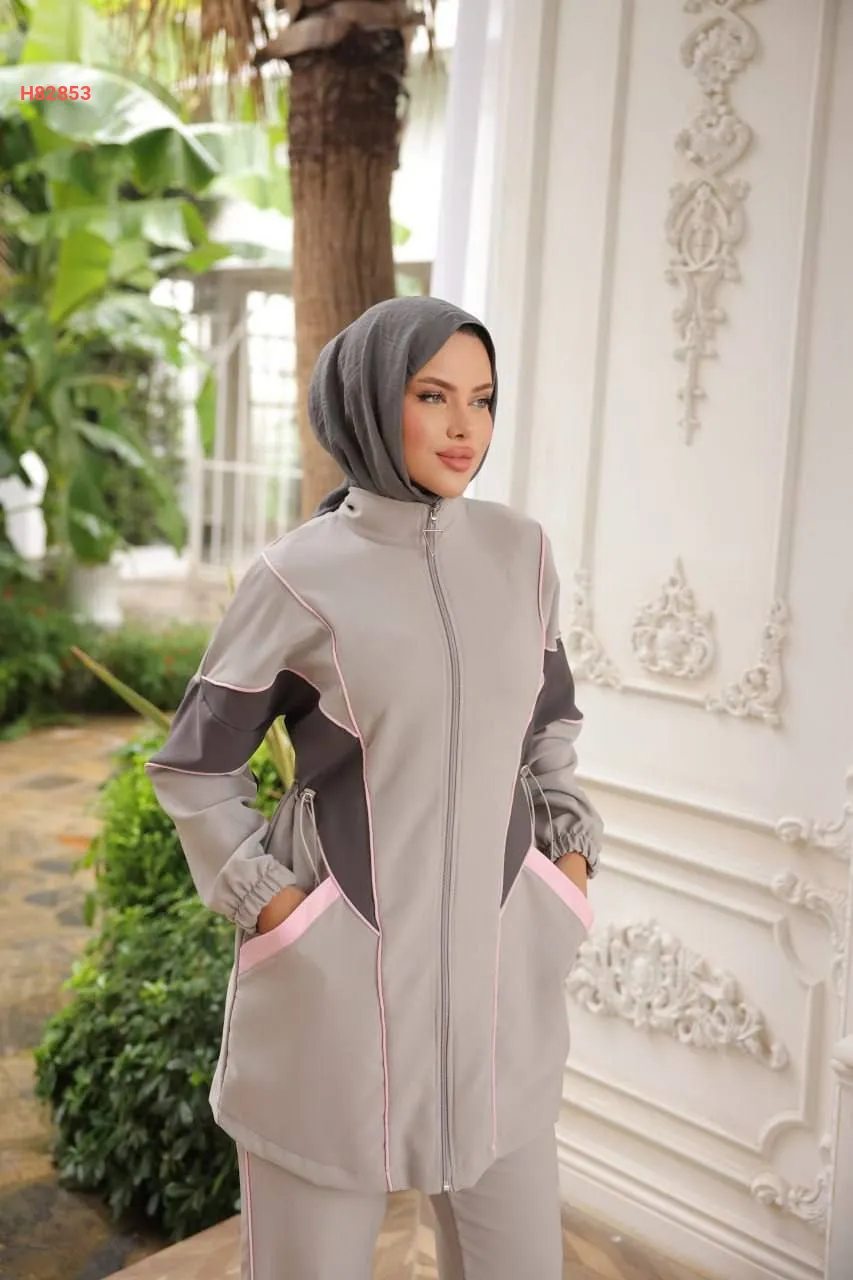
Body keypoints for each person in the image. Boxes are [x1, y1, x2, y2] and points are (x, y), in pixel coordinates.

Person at [146, 296, 603, 1280]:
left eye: (481, 398)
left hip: (498, 1003)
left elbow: (547, 727)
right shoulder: (299, 576)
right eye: (431, 395)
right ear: (369, 400)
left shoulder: (520, 554)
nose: (463, 426)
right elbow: (194, 765)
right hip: (336, 1006)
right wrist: (276, 907)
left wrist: (565, 865)